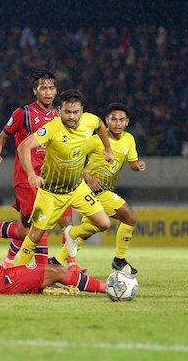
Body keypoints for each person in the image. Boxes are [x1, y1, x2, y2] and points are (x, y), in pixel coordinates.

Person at [0, 68, 71, 267]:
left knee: (32, 230)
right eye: (43, 88)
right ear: (35, 91)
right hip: (27, 177)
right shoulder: (23, 113)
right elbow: (3, 135)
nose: (48, 92)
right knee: (39, 226)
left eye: (51, 88)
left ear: (56, 91)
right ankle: (43, 272)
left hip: (52, 178)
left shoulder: (59, 115)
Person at [14, 89, 114, 266]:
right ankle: (15, 272)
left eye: (76, 112)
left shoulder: (90, 120)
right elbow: (24, 147)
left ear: (82, 110)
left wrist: (108, 150)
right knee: (35, 235)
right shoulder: (53, 128)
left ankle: (72, 234)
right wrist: (31, 174)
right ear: (59, 111)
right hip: (50, 192)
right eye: (67, 112)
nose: (72, 117)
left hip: (76, 188)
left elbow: (100, 126)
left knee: (104, 223)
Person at [49, 103, 146, 273]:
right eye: (113, 119)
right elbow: (73, 159)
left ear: (127, 122)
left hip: (106, 188)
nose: (117, 123)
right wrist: (89, 178)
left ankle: (56, 260)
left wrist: (138, 166)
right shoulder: (95, 140)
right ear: (106, 121)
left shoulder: (129, 139)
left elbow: (132, 164)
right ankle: (119, 259)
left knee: (88, 231)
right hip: (94, 189)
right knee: (129, 217)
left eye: (121, 120)